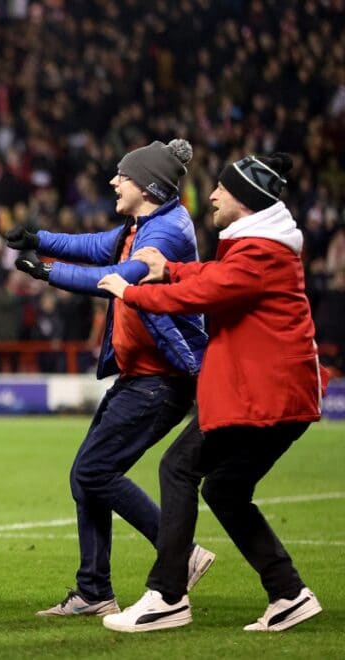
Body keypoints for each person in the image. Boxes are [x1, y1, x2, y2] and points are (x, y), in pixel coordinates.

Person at [97, 153, 327, 633]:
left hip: (265, 397)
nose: (214, 196)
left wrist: (131, 291)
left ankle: (167, 596)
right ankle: (288, 592)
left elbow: (206, 293)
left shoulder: (261, 253)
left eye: (222, 189)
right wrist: (173, 270)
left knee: (178, 467)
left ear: (243, 200)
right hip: (273, 396)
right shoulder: (258, 249)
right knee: (225, 488)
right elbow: (213, 279)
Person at [6, 139, 213, 616]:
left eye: (123, 175)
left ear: (148, 186)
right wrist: (39, 239)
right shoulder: (148, 222)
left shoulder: (166, 233)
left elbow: (118, 274)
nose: (113, 181)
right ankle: (95, 591)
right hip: (142, 376)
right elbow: (100, 246)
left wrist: (49, 272)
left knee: (94, 472)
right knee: (87, 477)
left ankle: (179, 553)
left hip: (160, 380)